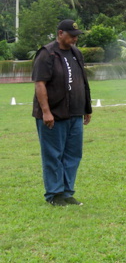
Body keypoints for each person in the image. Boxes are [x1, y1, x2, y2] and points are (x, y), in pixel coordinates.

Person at [32, 19, 92, 206]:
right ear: (60, 33)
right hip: (54, 115)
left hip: (75, 112)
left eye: (76, 36)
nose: (75, 39)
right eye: (71, 35)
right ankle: (54, 194)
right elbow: (40, 83)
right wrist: (46, 112)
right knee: (53, 154)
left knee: (73, 154)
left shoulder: (76, 53)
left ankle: (67, 192)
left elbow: (82, 81)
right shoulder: (47, 54)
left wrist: (87, 108)